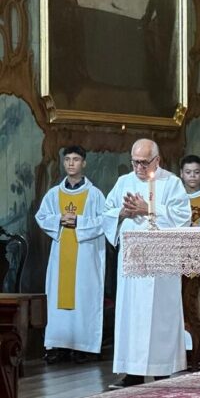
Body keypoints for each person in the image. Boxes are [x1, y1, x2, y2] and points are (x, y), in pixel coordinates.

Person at [103, 139, 191, 389]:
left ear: (157, 160)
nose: (139, 168)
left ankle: (162, 370)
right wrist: (122, 213)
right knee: (132, 314)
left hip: (161, 264)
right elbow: (106, 212)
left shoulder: (171, 183)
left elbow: (183, 219)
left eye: (144, 162)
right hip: (132, 261)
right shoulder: (124, 182)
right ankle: (132, 372)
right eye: (135, 162)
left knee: (159, 316)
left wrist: (148, 208)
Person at [35, 145, 106, 365]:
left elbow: (105, 221)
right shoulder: (54, 193)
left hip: (86, 257)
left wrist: (78, 222)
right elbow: (41, 216)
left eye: (76, 159)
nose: (71, 164)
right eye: (67, 160)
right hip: (61, 257)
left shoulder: (94, 195)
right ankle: (58, 346)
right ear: (63, 163)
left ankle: (84, 347)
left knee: (85, 298)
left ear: (84, 163)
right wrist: (58, 220)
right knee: (58, 300)